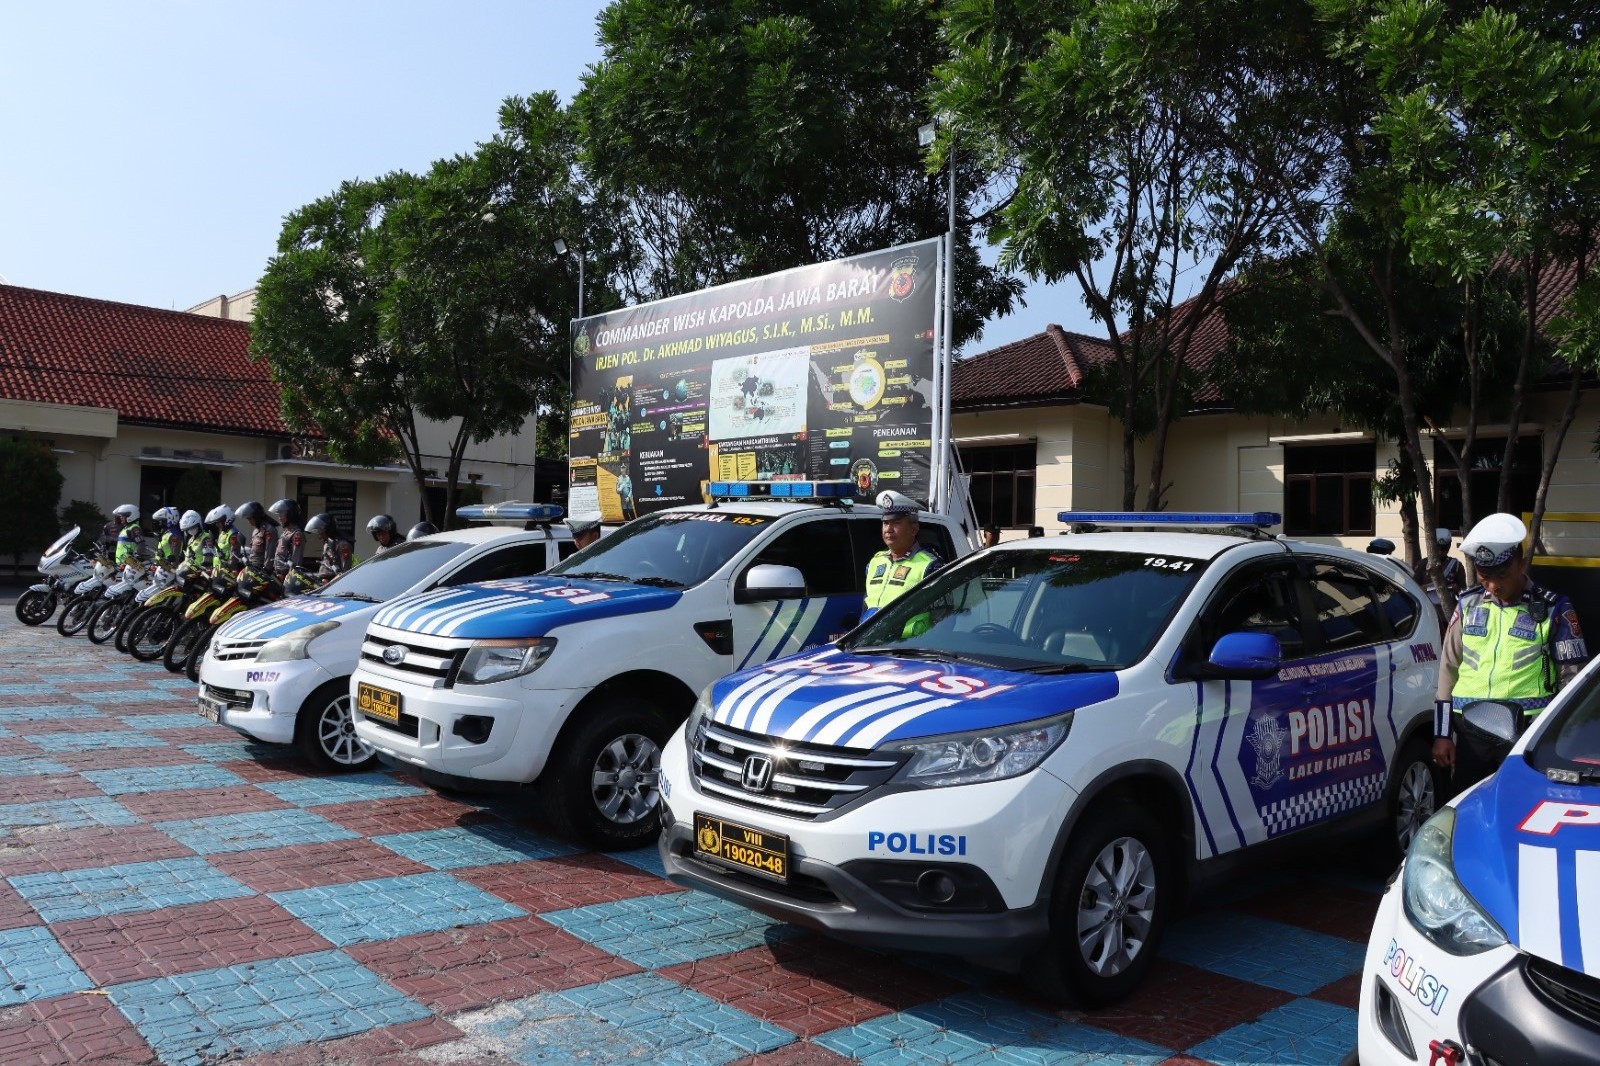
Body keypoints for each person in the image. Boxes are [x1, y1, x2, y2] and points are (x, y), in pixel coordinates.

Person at [1432, 513, 1588, 789]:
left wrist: (1562, 740)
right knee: (1465, 811)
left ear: (1520, 561)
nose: (1492, 584)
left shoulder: (1554, 608)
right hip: (1470, 733)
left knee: (1522, 807)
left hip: (1528, 735)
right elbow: (1448, 669)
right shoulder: (1467, 605)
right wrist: (1442, 733)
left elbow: (1572, 681)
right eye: (1484, 576)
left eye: (1501, 574)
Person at [862, 491, 943, 621]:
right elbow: (866, 608)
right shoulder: (875, 562)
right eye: (885, 523)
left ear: (914, 529)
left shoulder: (930, 566)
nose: (888, 529)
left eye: (896, 523)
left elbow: (943, 619)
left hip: (911, 641)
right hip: (873, 641)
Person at [1415, 528, 1466, 600]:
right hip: (1427, 605)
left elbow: (1463, 592)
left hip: (1450, 606)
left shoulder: (1456, 566)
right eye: (1438, 548)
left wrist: (1457, 589)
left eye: (1444, 549)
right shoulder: (1422, 564)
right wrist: (1421, 589)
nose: (1441, 552)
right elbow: (1413, 588)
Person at [306, 513, 355, 582]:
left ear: (328, 529)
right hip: (323, 582)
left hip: (333, 585)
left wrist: (330, 584)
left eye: (320, 531)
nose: (319, 535)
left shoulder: (342, 545)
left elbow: (345, 572)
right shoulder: (327, 544)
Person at [236, 500, 279, 574]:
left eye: (250, 518)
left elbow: (270, 552)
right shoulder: (256, 530)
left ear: (257, 517)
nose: (249, 521)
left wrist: (266, 570)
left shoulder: (269, 530)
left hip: (262, 571)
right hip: (253, 568)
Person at [268, 498, 306, 578]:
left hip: (286, 576)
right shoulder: (286, 532)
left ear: (290, 515)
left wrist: (290, 577)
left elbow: (296, 561)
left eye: (282, 515)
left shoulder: (296, 534)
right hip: (278, 574)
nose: (279, 518)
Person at [206, 503, 241, 574]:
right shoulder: (223, 533)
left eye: (218, 522)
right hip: (217, 570)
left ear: (226, 519)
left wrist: (229, 569)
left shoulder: (233, 534)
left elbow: (234, 556)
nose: (216, 524)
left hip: (226, 572)